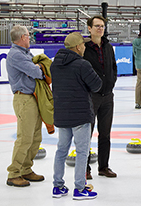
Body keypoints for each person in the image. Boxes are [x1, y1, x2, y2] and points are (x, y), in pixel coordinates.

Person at [51, 32, 102, 200]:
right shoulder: (82, 64)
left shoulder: (55, 65)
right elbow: (97, 85)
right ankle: (80, 188)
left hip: (62, 114)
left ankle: (57, 186)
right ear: (78, 47)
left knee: (61, 150)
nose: (85, 46)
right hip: (80, 115)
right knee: (82, 152)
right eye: (83, 44)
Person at [6, 25, 45, 187]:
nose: (30, 38)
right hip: (24, 99)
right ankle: (14, 173)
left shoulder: (25, 53)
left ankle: (26, 169)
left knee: (36, 137)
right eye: (29, 36)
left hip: (33, 98)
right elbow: (37, 73)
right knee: (25, 138)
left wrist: (38, 67)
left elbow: (37, 69)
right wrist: (39, 68)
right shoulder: (16, 55)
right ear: (22, 37)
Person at [84, 15, 117, 179]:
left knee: (105, 133)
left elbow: (113, 67)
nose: (100, 29)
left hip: (107, 96)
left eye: (102, 26)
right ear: (89, 28)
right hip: (90, 96)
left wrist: (111, 83)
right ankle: (85, 168)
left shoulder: (108, 47)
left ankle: (103, 166)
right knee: (86, 134)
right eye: (97, 26)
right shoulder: (83, 48)